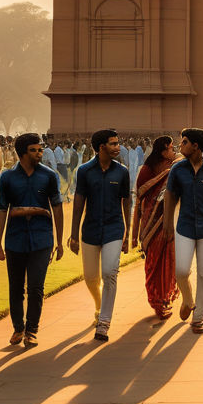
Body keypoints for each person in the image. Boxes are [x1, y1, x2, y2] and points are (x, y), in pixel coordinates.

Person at [0, 133, 64, 347]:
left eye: (40, 149)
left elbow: (57, 208)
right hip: (15, 240)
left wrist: (59, 242)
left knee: (36, 287)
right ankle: (18, 328)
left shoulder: (49, 176)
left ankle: (32, 330)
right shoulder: (7, 178)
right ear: (23, 153)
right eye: (34, 150)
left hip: (42, 239)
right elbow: (2, 209)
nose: (39, 153)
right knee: (16, 287)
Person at [163, 128, 203, 334]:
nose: (180, 146)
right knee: (181, 271)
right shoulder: (177, 170)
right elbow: (170, 197)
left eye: (184, 142)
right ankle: (189, 300)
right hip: (184, 227)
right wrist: (167, 224)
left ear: (196, 146)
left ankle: (198, 317)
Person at [69, 128, 131, 343]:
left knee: (109, 272)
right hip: (91, 230)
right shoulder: (85, 171)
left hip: (114, 229)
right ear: (101, 147)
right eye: (113, 144)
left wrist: (128, 231)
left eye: (117, 143)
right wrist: (73, 234)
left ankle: (104, 322)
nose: (118, 147)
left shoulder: (122, 172)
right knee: (91, 277)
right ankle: (98, 304)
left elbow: (127, 202)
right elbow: (79, 204)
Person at [132, 135, 179, 320]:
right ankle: (156, 301)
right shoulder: (147, 170)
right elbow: (141, 197)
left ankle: (165, 300)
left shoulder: (174, 167)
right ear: (162, 151)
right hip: (150, 224)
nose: (173, 151)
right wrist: (136, 232)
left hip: (168, 221)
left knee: (168, 262)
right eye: (170, 148)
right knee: (153, 264)